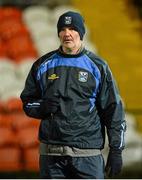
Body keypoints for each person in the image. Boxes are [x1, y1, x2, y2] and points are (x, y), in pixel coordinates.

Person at [20, 11, 126, 179]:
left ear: (81, 33)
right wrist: (42, 107)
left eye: (72, 28)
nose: (67, 33)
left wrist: (116, 150)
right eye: (62, 29)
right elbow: (27, 102)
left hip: (87, 157)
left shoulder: (98, 66)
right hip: (51, 157)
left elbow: (114, 110)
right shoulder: (42, 65)